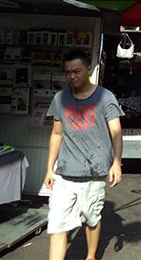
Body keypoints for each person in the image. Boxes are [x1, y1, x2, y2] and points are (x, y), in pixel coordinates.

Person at [44, 49, 123, 260]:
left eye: (76, 71)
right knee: (57, 224)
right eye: (67, 72)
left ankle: (90, 256)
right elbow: (56, 134)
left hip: (94, 172)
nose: (72, 76)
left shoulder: (105, 97)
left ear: (89, 69)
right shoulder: (60, 98)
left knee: (91, 218)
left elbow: (116, 131)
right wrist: (49, 169)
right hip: (65, 173)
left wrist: (116, 162)